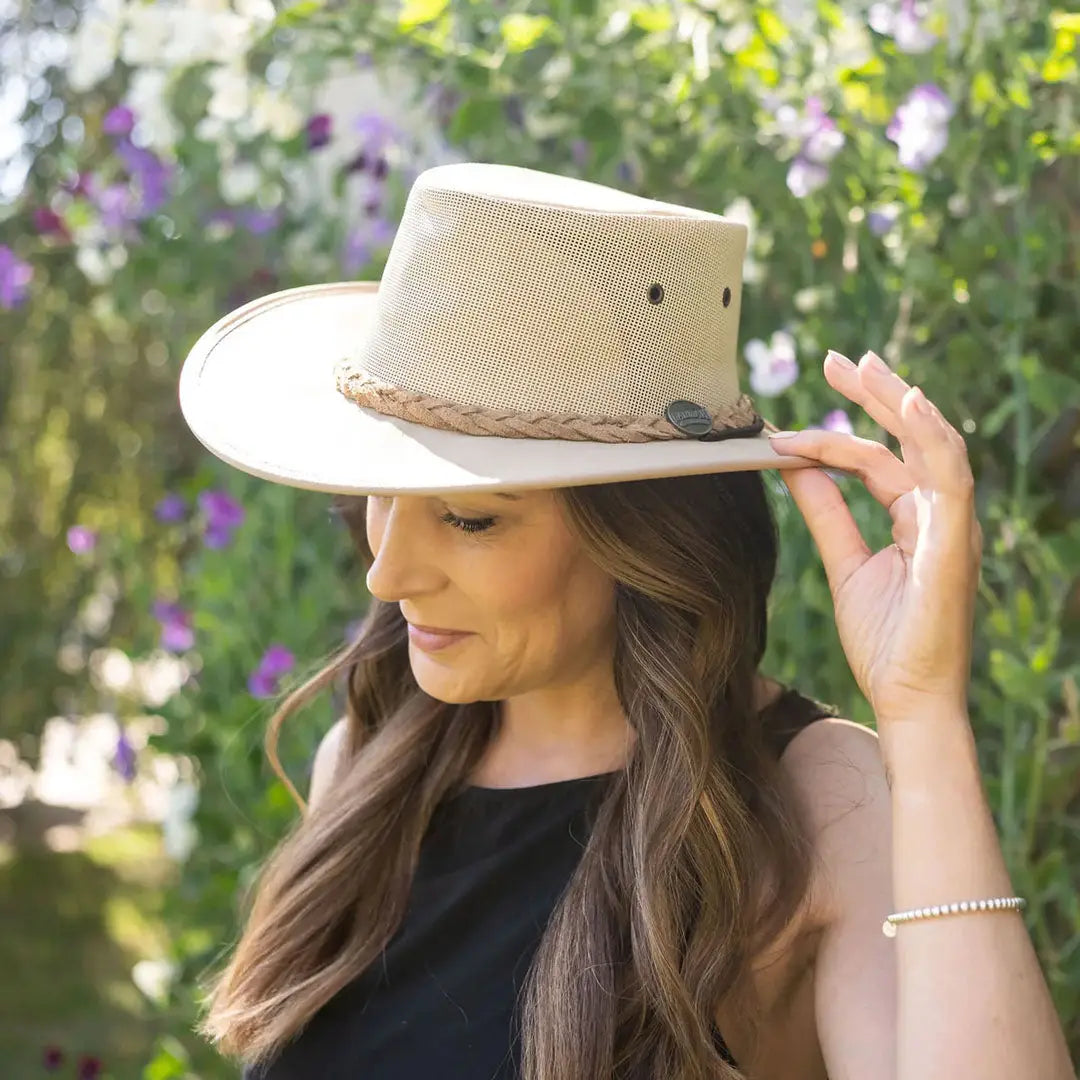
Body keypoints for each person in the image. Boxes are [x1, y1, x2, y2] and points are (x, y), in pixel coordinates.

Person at [178, 163, 1074, 1079]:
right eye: (380, 491)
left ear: (642, 538)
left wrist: (923, 714)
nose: (388, 572)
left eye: (471, 517)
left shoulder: (812, 803)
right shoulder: (373, 761)